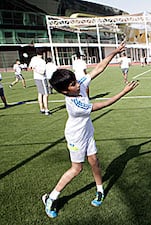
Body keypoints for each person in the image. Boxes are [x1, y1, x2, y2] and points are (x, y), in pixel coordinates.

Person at [42, 42, 139, 219]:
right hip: (76, 136)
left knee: (94, 160)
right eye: (72, 84)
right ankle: (51, 197)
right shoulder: (76, 104)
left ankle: (100, 190)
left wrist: (115, 52)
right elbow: (103, 104)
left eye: (75, 81)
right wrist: (123, 92)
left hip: (87, 130)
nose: (77, 84)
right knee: (76, 169)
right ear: (65, 91)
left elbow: (99, 69)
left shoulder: (78, 85)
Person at [29, 48, 51, 115]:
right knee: (46, 94)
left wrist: (34, 68)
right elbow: (42, 72)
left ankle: (42, 109)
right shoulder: (42, 61)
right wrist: (36, 69)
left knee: (40, 93)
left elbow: (30, 67)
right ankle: (46, 110)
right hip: (41, 79)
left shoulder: (33, 58)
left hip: (36, 78)